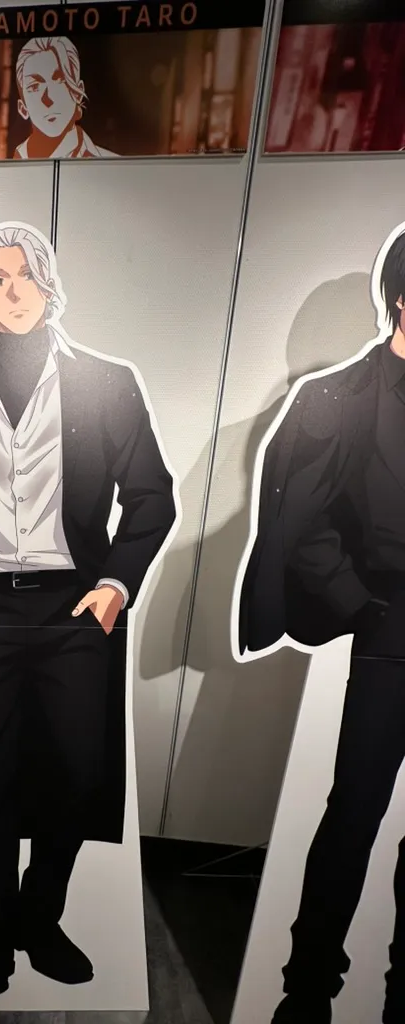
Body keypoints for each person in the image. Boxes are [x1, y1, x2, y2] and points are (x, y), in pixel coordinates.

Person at [0, 222, 176, 997]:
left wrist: (114, 588)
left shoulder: (109, 384)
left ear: (49, 282)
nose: (11, 290)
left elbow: (152, 498)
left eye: (24, 274)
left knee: (71, 777)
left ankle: (40, 920)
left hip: (76, 609)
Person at [238, 227, 405, 1024]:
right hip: (390, 628)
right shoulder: (340, 397)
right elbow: (300, 523)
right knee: (354, 815)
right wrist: (358, 603)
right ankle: (307, 991)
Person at [13, 37, 116, 160]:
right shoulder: (9, 164)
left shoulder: (114, 165)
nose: (49, 98)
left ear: (78, 93)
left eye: (60, 80)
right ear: (23, 108)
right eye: (35, 87)